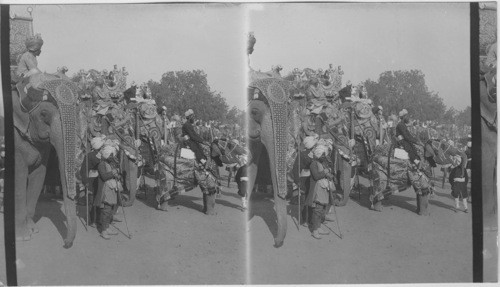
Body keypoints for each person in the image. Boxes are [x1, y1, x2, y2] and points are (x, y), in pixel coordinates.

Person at [305, 144, 335, 239]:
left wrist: (329, 175)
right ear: (318, 154)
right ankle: (315, 230)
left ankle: (318, 227)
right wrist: (325, 172)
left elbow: (325, 172)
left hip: (324, 189)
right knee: (317, 210)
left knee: (322, 209)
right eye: (322, 155)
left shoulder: (322, 163)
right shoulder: (313, 164)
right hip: (317, 190)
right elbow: (316, 176)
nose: (324, 156)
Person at [94, 145, 121, 239]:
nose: (112, 157)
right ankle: (103, 231)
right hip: (105, 190)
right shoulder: (101, 164)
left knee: (110, 210)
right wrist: (113, 173)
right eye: (110, 155)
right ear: (106, 155)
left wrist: (116, 175)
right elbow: (104, 177)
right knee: (106, 210)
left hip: (111, 189)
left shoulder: (109, 163)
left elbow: (112, 174)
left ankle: (107, 227)